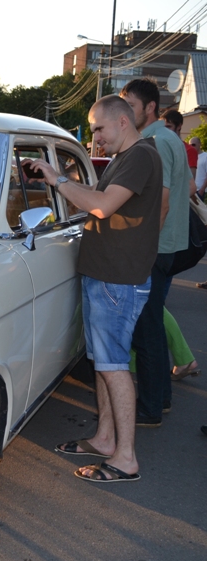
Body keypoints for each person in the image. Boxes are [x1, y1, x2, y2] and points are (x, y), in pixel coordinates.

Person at [29, 95, 162, 483]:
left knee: (114, 367)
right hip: (107, 275)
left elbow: (102, 206)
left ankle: (126, 457)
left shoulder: (140, 156)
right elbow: (98, 202)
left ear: (123, 121)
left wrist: (58, 179)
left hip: (118, 280)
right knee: (104, 364)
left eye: (99, 128)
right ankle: (105, 439)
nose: (96, 137)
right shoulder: (126, 158)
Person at [120, 79, 192, 428]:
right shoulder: (170, 138)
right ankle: (160, 398)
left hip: (155, 247)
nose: (124, 113)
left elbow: (160, 203)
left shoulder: (155, 142)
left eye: (129, 106)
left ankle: (149, 407)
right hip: (167, 245)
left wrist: (142, 248)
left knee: (146, 330)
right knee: (151, 326)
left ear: (149, 107)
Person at [161, 110, 197, 177]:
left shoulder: (189, 150)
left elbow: (190, 182)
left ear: (179, 126)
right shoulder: (160, 147)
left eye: (168, 126)